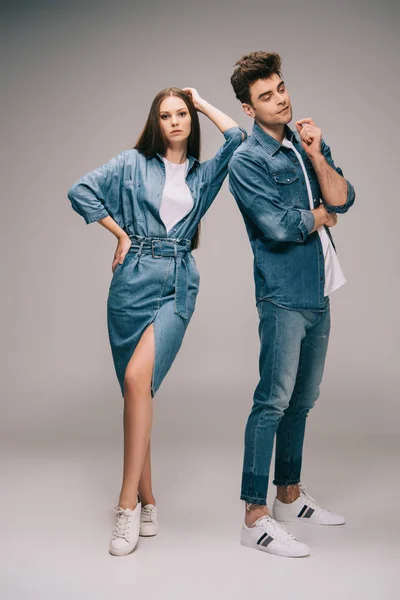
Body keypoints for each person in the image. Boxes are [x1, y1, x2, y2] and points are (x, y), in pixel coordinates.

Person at [67, 87, 246, 556]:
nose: (174, 121)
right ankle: (149, 499)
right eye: (166, 115)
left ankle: (125, 505)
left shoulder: (203, 175)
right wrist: (120, 232)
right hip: (130, 283)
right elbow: (80, 190)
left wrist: (203, 101)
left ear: (191, 120)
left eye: (182, 113)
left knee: (135, 378)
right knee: (137, 391)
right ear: (156, 122)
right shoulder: (131, 163)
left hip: (177, 284)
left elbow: (238, 138)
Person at [228, 52, 355, 558]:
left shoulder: (303, 148)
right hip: (281, 295)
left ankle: (288, 495)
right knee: (272, 402)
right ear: (247, 107)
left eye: (281, 87)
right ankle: (254, 517)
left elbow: (344, 197)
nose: (280, 98)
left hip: (318, 291)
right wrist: (320, 216)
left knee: (303, 401)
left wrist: (318, 153)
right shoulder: (247, 160)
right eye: (266, 95)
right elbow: (279, 227)